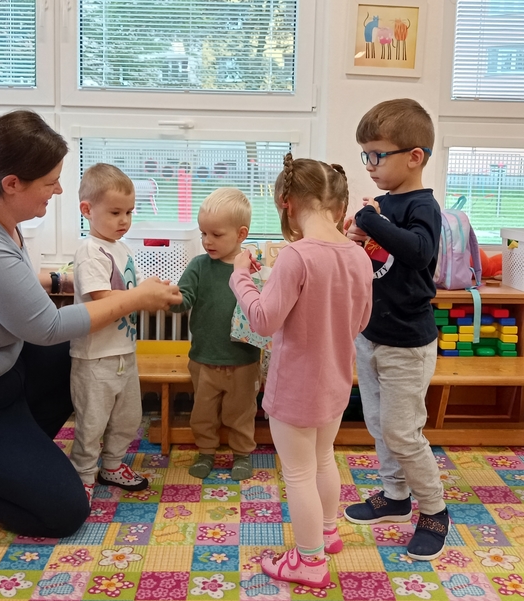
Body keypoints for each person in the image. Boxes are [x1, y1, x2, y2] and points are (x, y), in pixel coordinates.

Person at [0, 110, 182, 537]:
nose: (58, 190)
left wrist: (68, 281)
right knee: (63, 511)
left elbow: (12, 281)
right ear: (12, 184)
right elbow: (48, 327)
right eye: (50, 181)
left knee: (77, 359)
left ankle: (12, 461)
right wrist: (136, 297)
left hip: (2, 377)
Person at [230, 154, 372, 587]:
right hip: (335, 382)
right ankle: (327, 533)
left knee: (297, 474)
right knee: (323, 459)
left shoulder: (296, 256)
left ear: (287, 203)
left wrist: (240, 278)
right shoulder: (358, 256)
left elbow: (262, 320)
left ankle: (309, 561)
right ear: (339, 206)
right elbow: (361, 320)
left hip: (294, 389)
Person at [342, 98, 449, 561]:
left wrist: (370, 222)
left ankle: (434, 510)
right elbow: (370, 260)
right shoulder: (382, 206)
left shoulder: (423, 206)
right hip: (371, 335)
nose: (369, 165)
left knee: (403, 432)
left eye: (377, 155)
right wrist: (355, 239)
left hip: (408, 341)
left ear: (414, 156)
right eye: (365, 154)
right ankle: (395, 496)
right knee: (379, 426)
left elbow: (419, 252)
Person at [69, 164, 150, 505]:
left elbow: (133, 289)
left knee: (127, 417)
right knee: (92, 422)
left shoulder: (123, 248)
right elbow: (102, 297)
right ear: (87, 209)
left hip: (123, 351)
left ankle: (112, 465)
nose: (124, 220)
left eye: (129, 212)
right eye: (115, 212)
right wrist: (144, 296)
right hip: (95, 357)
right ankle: (83, 474)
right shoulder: (90, 251)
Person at [170, 188, 262, 481]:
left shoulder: (253, 268)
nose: (207, 241)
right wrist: (170, 298)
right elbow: (184, 299)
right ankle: (206, 452)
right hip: (204, 358)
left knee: (241, 412)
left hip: (244, 360)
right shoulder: (199, 265)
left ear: (241, 234)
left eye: (216, 234)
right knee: (203, 412)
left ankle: (242, 454)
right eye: (203, 233)